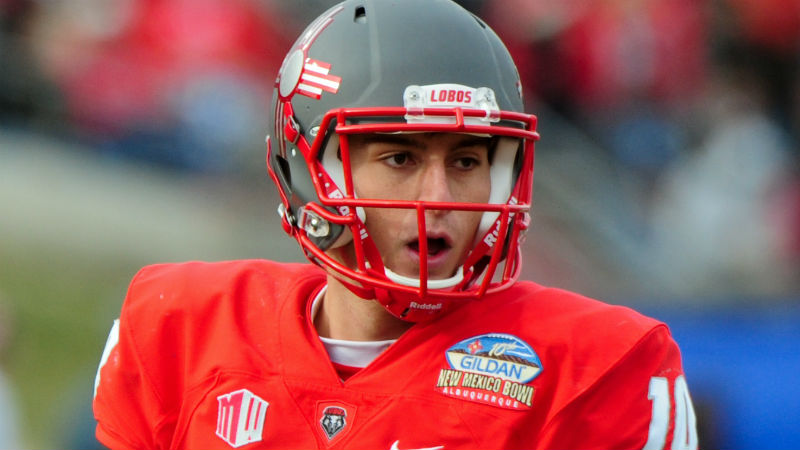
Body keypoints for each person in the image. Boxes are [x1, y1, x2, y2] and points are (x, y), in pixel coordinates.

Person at [92, 0, 699, 449]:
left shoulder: (596, 367)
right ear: (309, 171)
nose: (438, 197)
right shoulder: (181, 328)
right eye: (400, 158)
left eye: (467, 161)